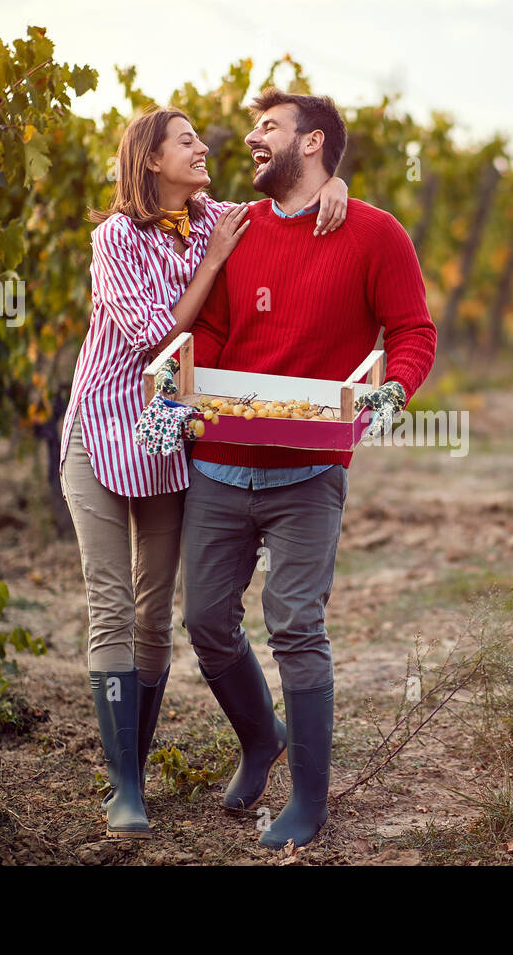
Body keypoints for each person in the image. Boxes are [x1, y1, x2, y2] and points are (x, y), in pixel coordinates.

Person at [61, 106, 348, 839]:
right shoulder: (115, 239)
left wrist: (336, 188)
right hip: (103, 430)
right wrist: (215, 261)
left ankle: (146, 767)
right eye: (186, 141)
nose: (204, 147)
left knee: (157, 614)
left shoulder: (218, 215)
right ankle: (124, 788)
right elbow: (159, 339)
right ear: (151, 160)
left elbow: (293, 199)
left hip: (170, 440)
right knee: (110, 602)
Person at [180, 89, 437, 850]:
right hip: (221, 465)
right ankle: (263, 738)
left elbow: (413, 330)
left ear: (315, 142)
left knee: (295, 624)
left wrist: (394, 390)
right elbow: (219, 332)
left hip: (309, 474)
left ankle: (311, 803)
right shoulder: (237, 229)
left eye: (270, 126)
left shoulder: (375, 233)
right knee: (206, 625)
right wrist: (191, 399)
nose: (253, 138)